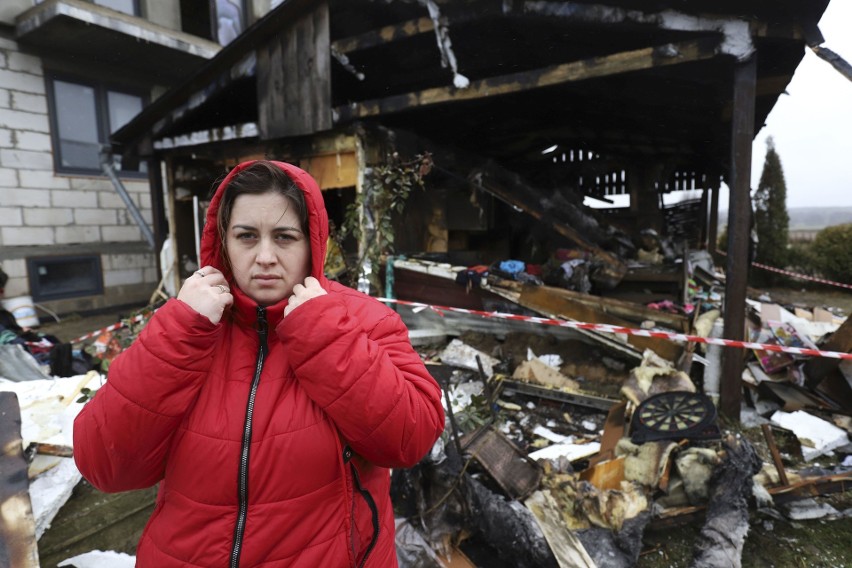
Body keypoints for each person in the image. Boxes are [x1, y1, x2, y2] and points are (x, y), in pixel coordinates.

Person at [73, 160, 445, 567]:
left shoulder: (361, 320)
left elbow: (411, 439)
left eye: (285, 237)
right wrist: (181, 332)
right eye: (247, 236)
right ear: (224, 243)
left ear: (312, 243)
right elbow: (105, 466)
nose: (265, 256)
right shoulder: (187, 325)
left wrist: (325, 334)